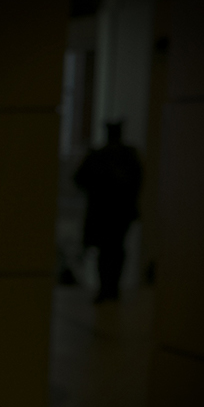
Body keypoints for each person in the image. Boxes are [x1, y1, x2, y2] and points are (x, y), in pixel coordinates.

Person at [74, 121, 144, 303]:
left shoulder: (112, 156)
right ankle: (108, 288)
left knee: (110, 252)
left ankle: (109, 288)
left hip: (112, 214)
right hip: (111, 214)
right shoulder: (114, 156)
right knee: (110, 252)